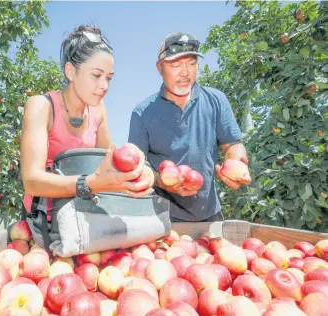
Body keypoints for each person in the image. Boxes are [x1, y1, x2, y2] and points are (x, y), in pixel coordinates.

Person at [20, 25, 154, 246]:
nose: (104, 86)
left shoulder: (98, 109)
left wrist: (141, 170)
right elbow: (32, 181)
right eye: (96, 75)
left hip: (85, 219)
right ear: (71, 72)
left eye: (109, 78)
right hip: (47, 225)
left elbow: (110, 159)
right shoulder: (41, 106)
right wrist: (90, 183)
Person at [128, 32, 251, 222]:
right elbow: (135, 166)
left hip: (210, 215)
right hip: (162, 218)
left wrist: (235, 164)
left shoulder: (216, 100)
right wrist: (161, 180)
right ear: (160, 68)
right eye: (176, 65)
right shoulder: (142, 113)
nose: (185, 72)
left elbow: (232, 144)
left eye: (191, 63)